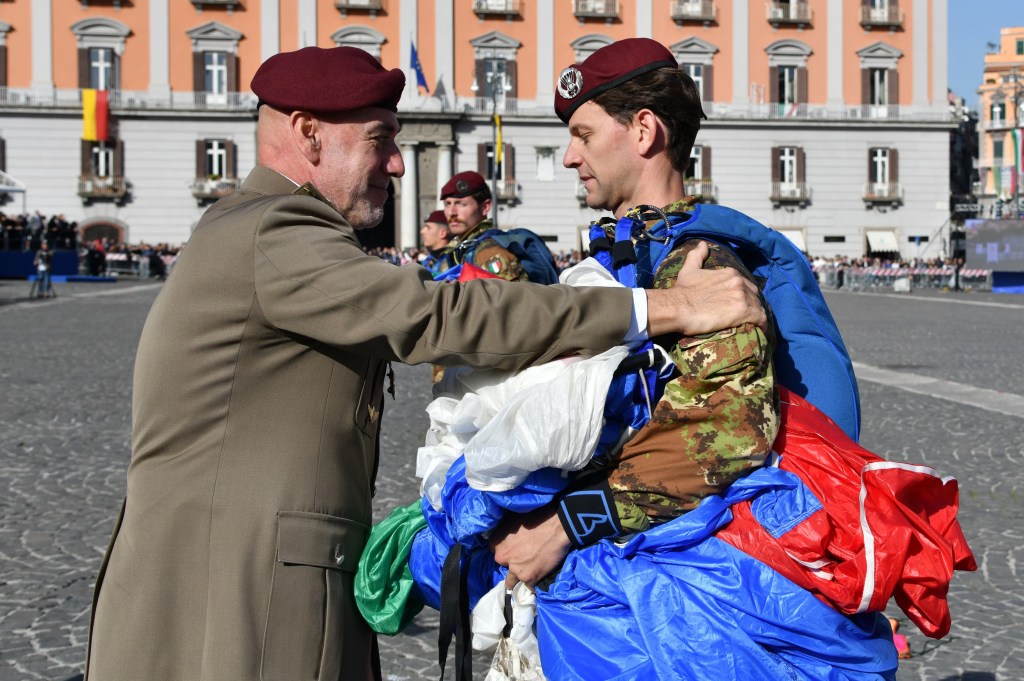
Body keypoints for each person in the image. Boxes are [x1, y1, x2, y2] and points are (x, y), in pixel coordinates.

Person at [83, 45, 766, 681]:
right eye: (380, 139)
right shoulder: (274, 229)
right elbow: (437, 315)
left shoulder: (259, 224)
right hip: (239, 592)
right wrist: (665, 307)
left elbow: (729, 425)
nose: (400, 165)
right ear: (309, 133)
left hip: (257, 580)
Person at [489, 37, 777, 586]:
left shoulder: (701, 265)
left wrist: (565, 524)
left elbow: (730, 431)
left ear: (644, 130)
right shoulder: (623, 255)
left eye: (584, 135)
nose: (570, 156)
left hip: (657, 586)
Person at [433, 171, 558, 283]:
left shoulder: (491, 252)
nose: (451, 212)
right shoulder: (459, 249)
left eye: (461, 204)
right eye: (447, 204)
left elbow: (511, 299)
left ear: (485, 207)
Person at [418, 209, 451, 273]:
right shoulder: (427, 262)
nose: (422, 231)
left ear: (443, 233)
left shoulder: (452, 261)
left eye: (428, 227)